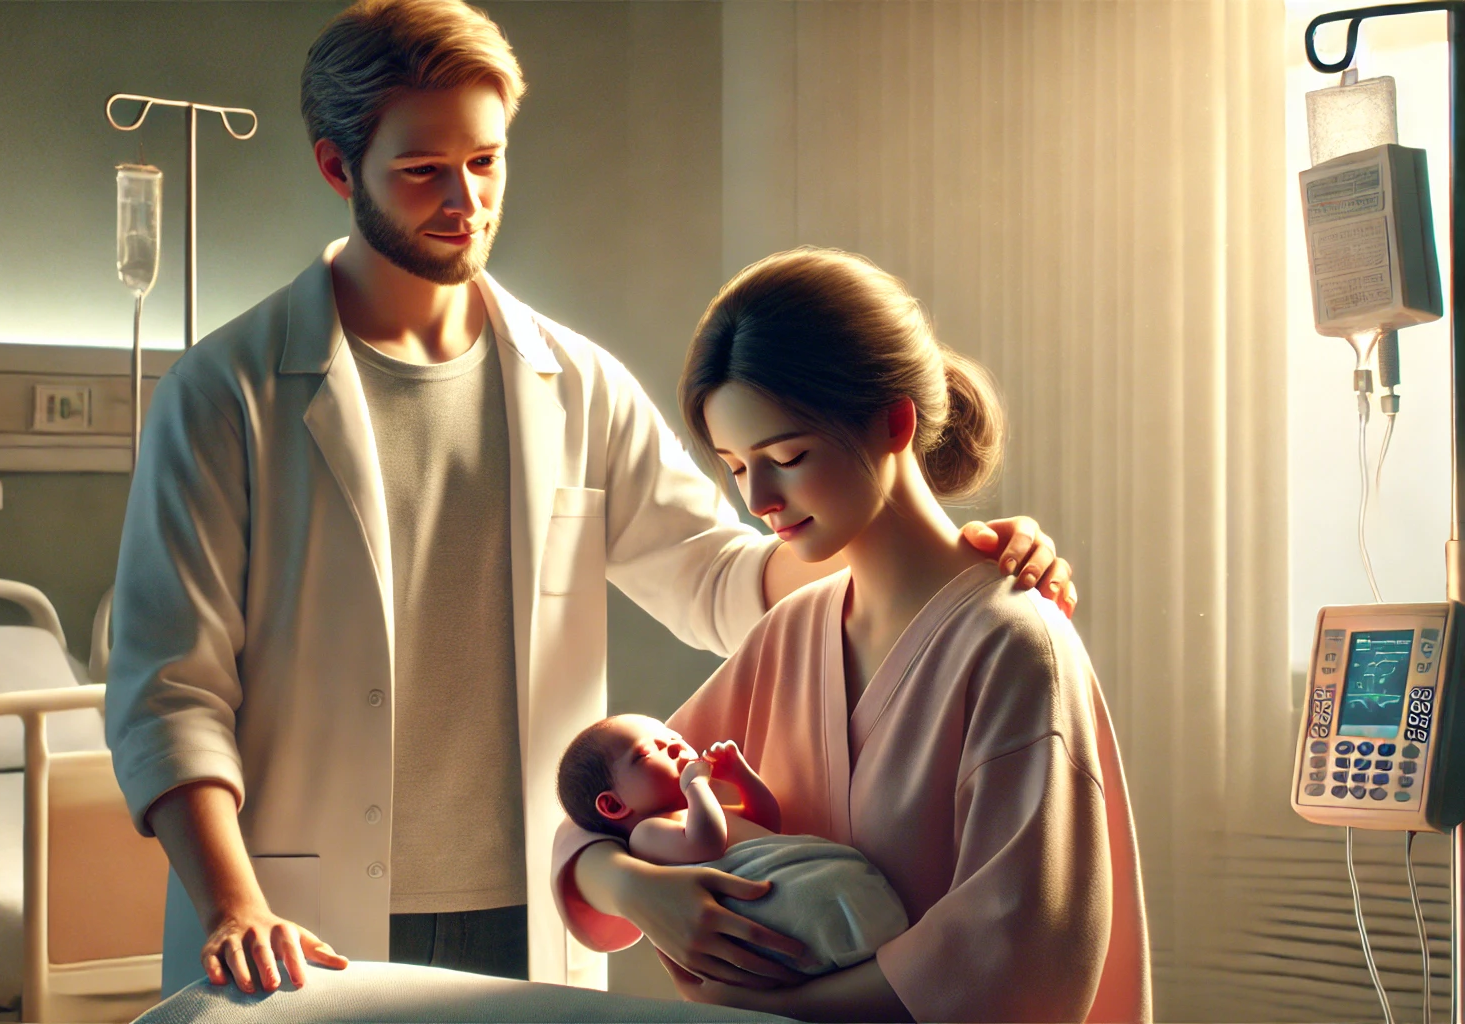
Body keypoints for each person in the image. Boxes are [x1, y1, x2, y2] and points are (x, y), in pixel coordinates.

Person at [104, 0, 1077, 1000]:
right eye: (421, 170)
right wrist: (231, 902)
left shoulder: (574, 384)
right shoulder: (225, 395)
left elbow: (718, 575)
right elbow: (170, 691)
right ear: (333, 167)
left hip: (527, 907)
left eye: (485, 162)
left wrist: (944, 548)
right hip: (295, 912)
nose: (463, 200)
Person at [554, 248, 1149, 1022]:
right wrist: (631, 885)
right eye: (737, 467)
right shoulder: (797, 629)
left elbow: (1018, 958)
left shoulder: (1013, 645)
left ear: (895, 421)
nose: (760, 497)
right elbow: (597, 809)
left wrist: (781, 1005)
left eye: (788, 456)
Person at [557, 715, 906, 976]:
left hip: (805, 867)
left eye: (673, 736)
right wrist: (696, 787)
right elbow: (707, 844)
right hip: (778, 896)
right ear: (614, 806)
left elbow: (766, 821)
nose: (676, 746)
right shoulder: (647, 835)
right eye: (649, 752)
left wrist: (740, 775)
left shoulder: (695, 812)